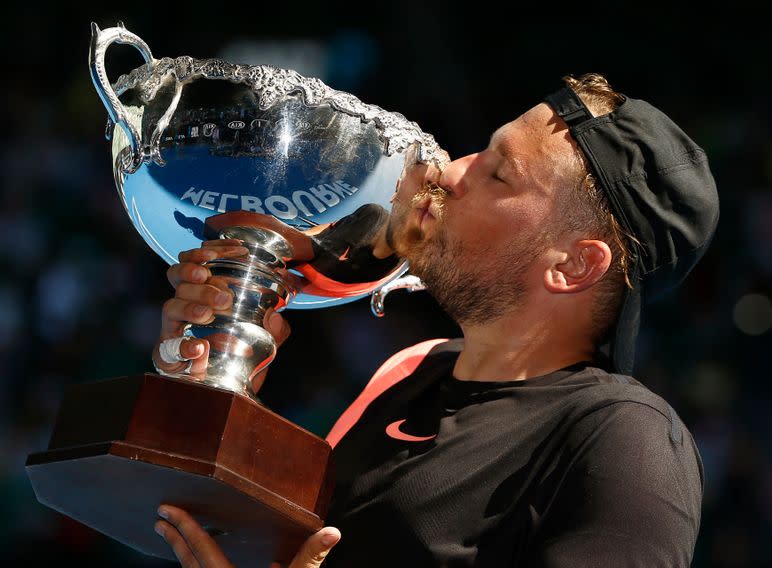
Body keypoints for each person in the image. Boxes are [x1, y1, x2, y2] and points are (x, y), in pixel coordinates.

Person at [152, 72, 719, 567]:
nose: (450, 170)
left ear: (573, 264)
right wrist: (213, 383)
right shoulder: (413, 368)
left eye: (499, 174)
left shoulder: (623, 439)